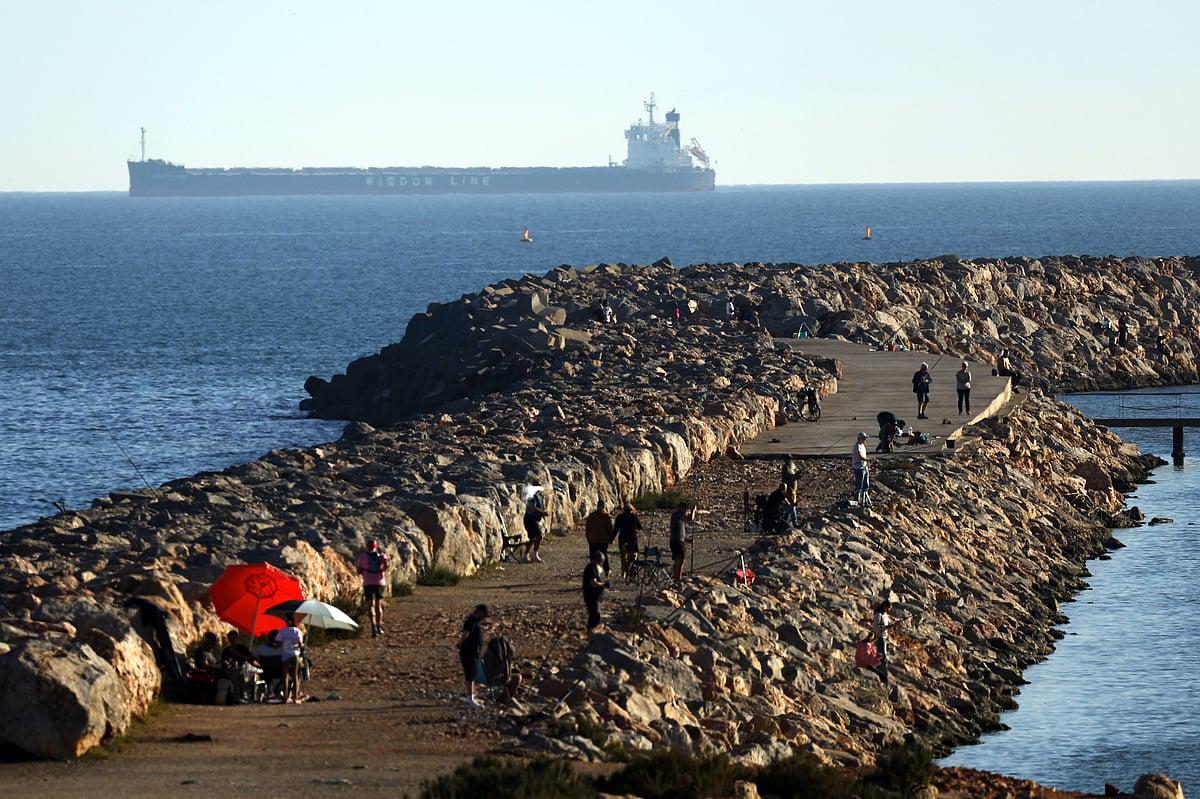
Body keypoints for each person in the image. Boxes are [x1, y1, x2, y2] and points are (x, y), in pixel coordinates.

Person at [457, 604, 489, 707]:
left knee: (473, 674)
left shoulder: (475, 622)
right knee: (470, 675)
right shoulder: (470, 621)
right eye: (484, 615)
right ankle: (469, 699)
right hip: (468, 653)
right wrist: (460, 643)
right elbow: (465, 634)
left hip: (474, 653)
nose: (483, 618)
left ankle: (471, 696)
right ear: (480, 612)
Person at [356, 540, 389, 637]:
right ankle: (379, 626)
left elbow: (358, 570)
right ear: (376, 546)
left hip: (368, 583)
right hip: (380, 582)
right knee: (378, 605)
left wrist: (365, 571)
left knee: (371, 605)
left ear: (367, 546)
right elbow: (386, 567)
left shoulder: (362, 556)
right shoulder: (382, 556)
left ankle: (373, 628)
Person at [278, 614, 304, 703]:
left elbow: (278, 642)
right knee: (295, 675)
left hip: (285, 654)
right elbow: (300, 644)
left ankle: (285, 698)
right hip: (294, 654)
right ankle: (295, 698)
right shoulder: (297, 631)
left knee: (285, 676)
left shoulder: (283, 631)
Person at [613, 502, 642, 579]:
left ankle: (623, 572)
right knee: (632, 556)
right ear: (631, 510)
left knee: (623, 557)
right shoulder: (634, 517)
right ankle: (631, 571)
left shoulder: (619, 517)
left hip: (623, 539)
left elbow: (615, 529)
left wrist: (611, 539)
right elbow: (640, 527)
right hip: (632, 539)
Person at [582, 550, 609, 631]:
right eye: (601, 561)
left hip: (595, 596)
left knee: (595, 615)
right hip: (591, 595)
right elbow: (593, 583)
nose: (602, 563)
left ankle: (592, 630)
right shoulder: (591, 568)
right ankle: (591, 631)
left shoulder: (595, 568)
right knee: (595, 615)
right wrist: (603, 584)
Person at [584, 501, 615, 569]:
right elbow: (609, 529)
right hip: (603, 540)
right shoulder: (606, 516)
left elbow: (587, 528)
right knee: (604, 554)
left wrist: (588, 537)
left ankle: (593, 569)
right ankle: (606, 569)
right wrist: (611, 538)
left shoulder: (591, 516)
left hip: (593, 539)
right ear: (604, 507)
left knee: (593, 555)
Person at [522, 489, 549, 563]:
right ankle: (526, 555)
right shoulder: (532, 496)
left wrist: (543, 512)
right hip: (530, 520)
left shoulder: (538, 496)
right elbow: (533, 507)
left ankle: (534, 554)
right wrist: (542, 512)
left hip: (535, 520)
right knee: (533, 537)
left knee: (538, 536)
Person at [669, 503, 692, 584]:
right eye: (685, 509)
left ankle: (676, 577)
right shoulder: (677, 515)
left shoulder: (676, 516)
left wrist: (686, 540)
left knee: (678, 560)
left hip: (676, 541)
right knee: (680, 560)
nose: (685, 511)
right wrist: (694, 510)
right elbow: (690, 518)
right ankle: (677, 579)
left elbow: (678, 531)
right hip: (677, 542)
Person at [872, 599, 893, 685]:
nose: (889, 610)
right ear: (884, 606)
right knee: (882, 658)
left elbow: (889, 623)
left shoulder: (885, 615)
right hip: (880, 638)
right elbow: (875, 627)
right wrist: (885, 627)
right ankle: (883, 678)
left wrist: (891, 625)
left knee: (883, 658)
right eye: (888, 608)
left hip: (885, 638)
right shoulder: (878, 615)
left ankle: (882, 676)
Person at [851, 432, 872, 505]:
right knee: (859, 485)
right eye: (864, 438)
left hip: (864, 467)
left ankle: (865, 501)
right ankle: (856, 502)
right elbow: (861, 457)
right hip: (859, 468)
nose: (865, 440)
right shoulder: (857, 446)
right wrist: (869, 459)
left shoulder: (862, 445)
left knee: (866, 485)